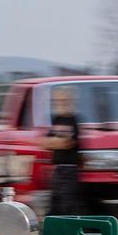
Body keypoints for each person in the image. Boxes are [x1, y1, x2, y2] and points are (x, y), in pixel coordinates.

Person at [39, 85, 83, 215]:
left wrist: (56, 142)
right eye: (57, 101)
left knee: (67, 204)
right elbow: (46, 143)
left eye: (64, 100)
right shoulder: (57, 120)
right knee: (54, 204)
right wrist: (58, 142)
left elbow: (69, 143)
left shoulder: (73, 120)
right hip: (57, 169)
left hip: (70, 170)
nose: (60, 104)